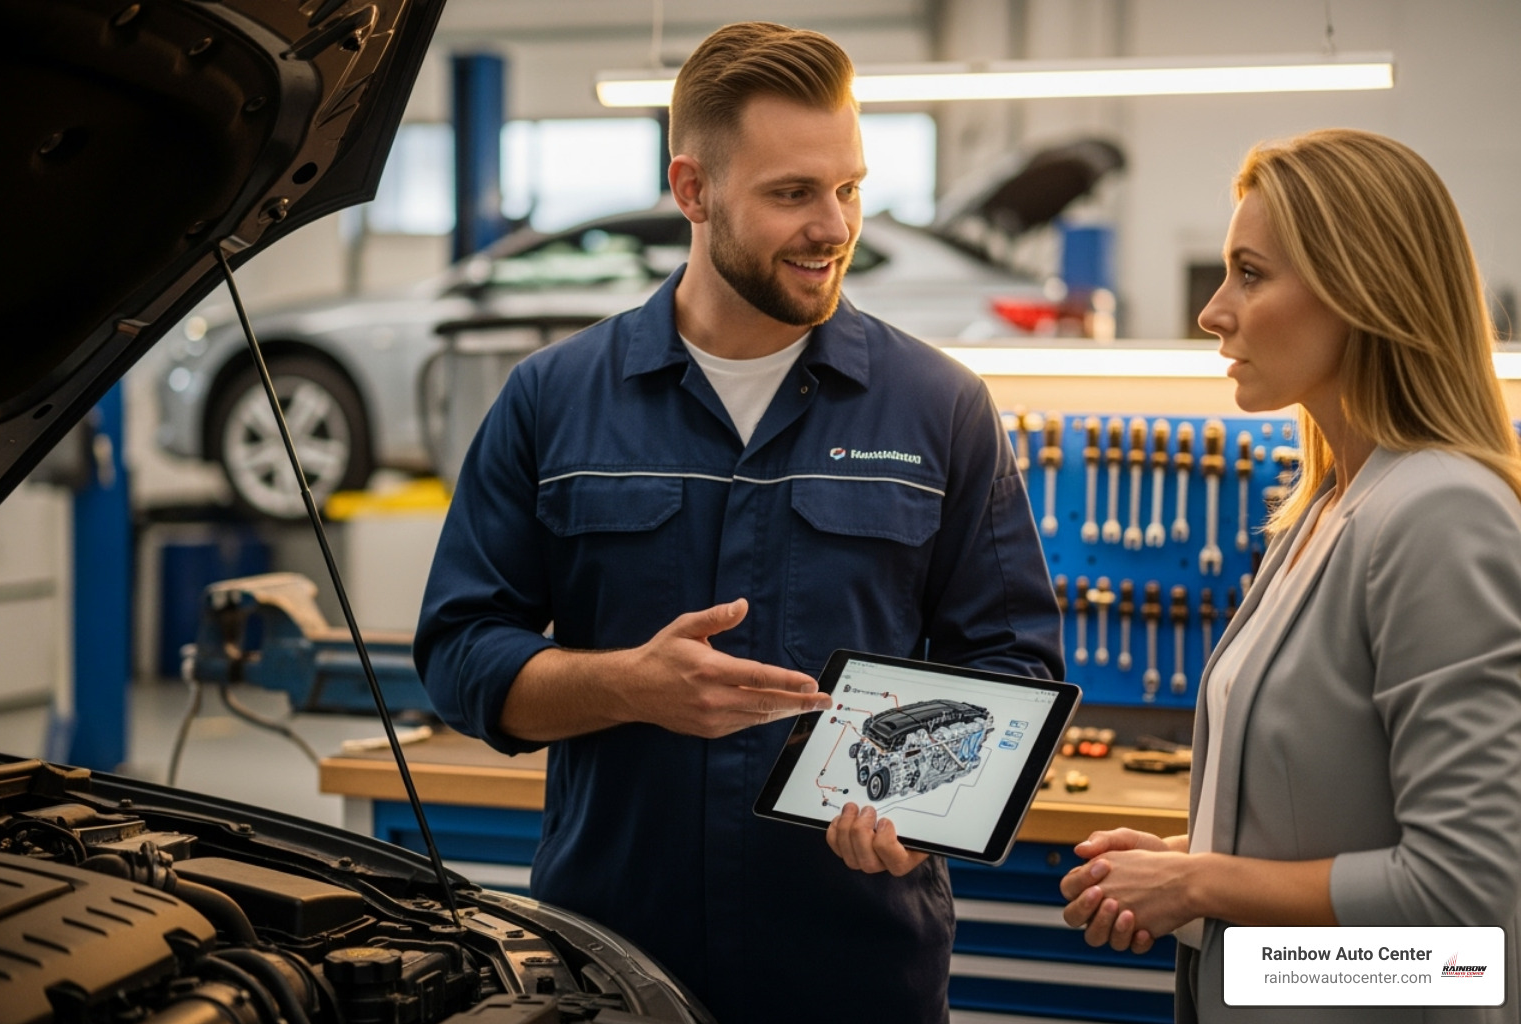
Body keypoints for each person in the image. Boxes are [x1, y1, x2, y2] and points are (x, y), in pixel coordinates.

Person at [414, 21, 1063, 1024]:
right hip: (611, 965)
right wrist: (627, 684)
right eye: (793, 193)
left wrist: (931, 813)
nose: (834, 225)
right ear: (694, 190)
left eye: (849, 187)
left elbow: (1011, 666)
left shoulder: (939, 406)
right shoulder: (553, 399)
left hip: (854, 972)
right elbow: (459, 653)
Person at [1059, 128, 1521, 1022]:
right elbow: (1332, 812)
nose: (1213, 310)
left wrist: (1202, 886)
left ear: (1363, 290)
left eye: (1251, 273)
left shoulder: (1438, 516)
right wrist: (1184, 864)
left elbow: (1463, 923)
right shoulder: (1326, 507)